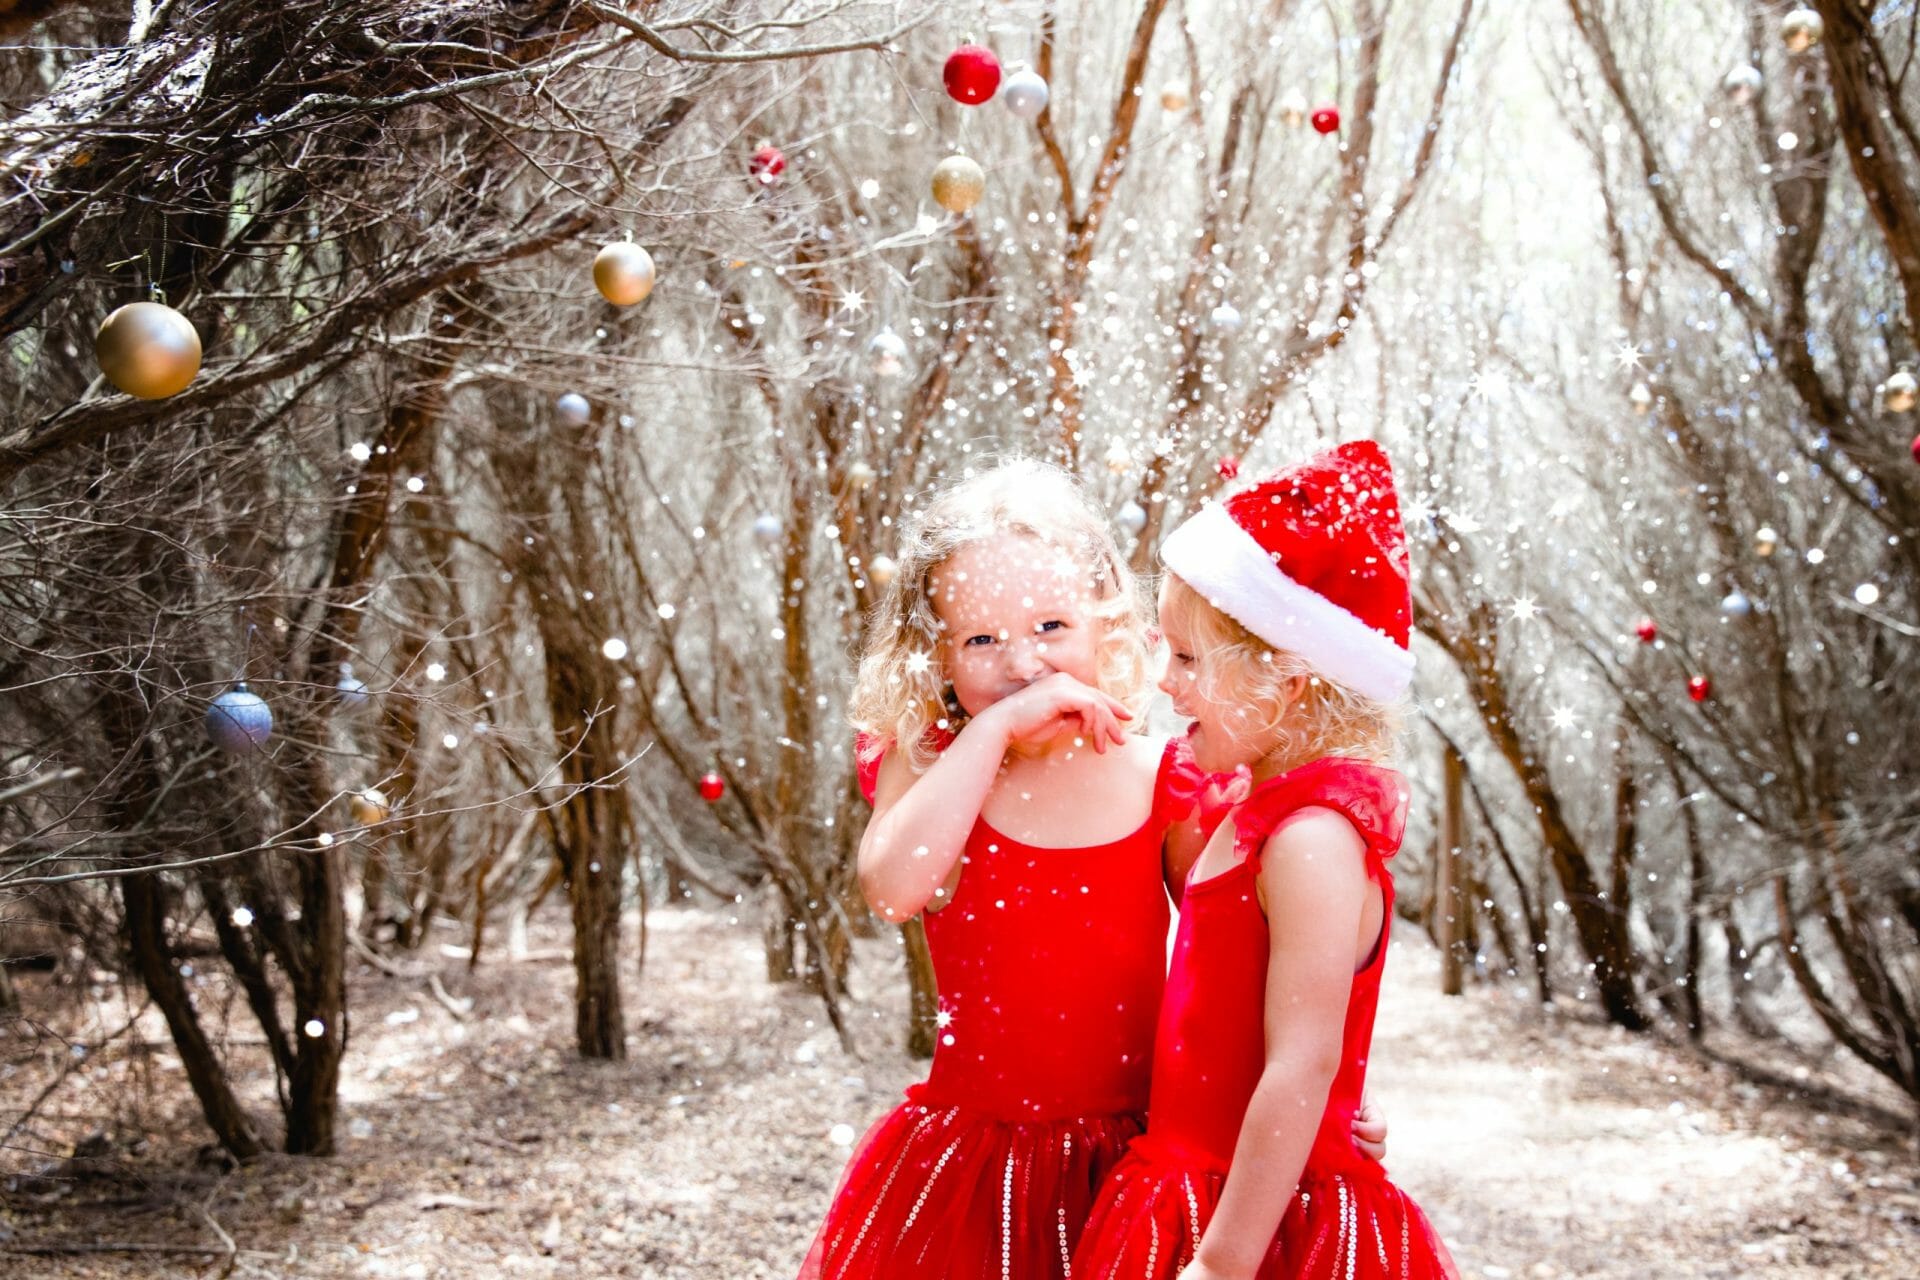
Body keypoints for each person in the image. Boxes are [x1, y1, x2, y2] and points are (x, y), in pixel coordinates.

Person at [798, 458, 1385, 1280]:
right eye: (980, 639)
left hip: (1131, 1165)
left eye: (1050, 628)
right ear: (934, 656)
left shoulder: (1160, 776)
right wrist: (991, 735)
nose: (1025, 665)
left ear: (1106, 626)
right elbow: (896, 888)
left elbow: (1241, 970)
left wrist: (1319, 1107)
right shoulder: (932, 762)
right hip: (975, 1168)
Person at [1072, 440, 1459, 1280]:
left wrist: (1222, 1262)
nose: (1165, 683)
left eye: (1187, 658)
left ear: (1287, 679)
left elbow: (1304, 1057)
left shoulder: (1311, 839)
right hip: (1190, 1185)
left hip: (1260, 1228)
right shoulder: (1250, 813)